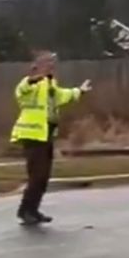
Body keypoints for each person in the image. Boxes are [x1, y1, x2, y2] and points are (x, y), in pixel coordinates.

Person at [10, 51, 91, 225]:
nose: (52, 66)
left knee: (43, 176)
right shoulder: (33, 83)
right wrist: (34, 78)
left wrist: (79, 91)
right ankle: (25, 211)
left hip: (46, 134)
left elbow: (61, 96)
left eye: (53, 63)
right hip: (32, 135)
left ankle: (33, 210)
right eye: (48, 63)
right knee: (36, 176)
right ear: (38, 65)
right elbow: (21, 91)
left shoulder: (50, 84)